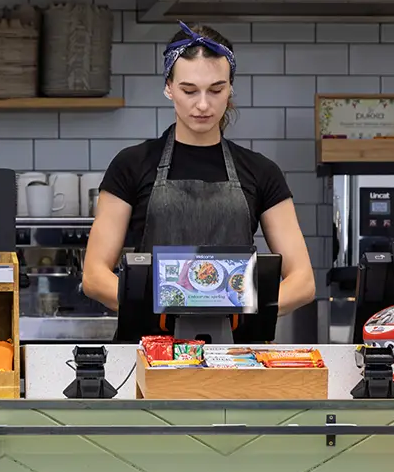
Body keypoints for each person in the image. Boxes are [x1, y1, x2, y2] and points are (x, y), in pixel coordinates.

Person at [82, 21, 316, 341]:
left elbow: (303, 281)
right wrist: (168, 308)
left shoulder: (261, 172)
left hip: (235, 357)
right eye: (189, 91)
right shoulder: (131, 165)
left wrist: (236, 307)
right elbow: (94, 276)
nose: (203, 105)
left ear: (230, 87)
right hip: (151, 352)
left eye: (216, 90)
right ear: (168, 87)